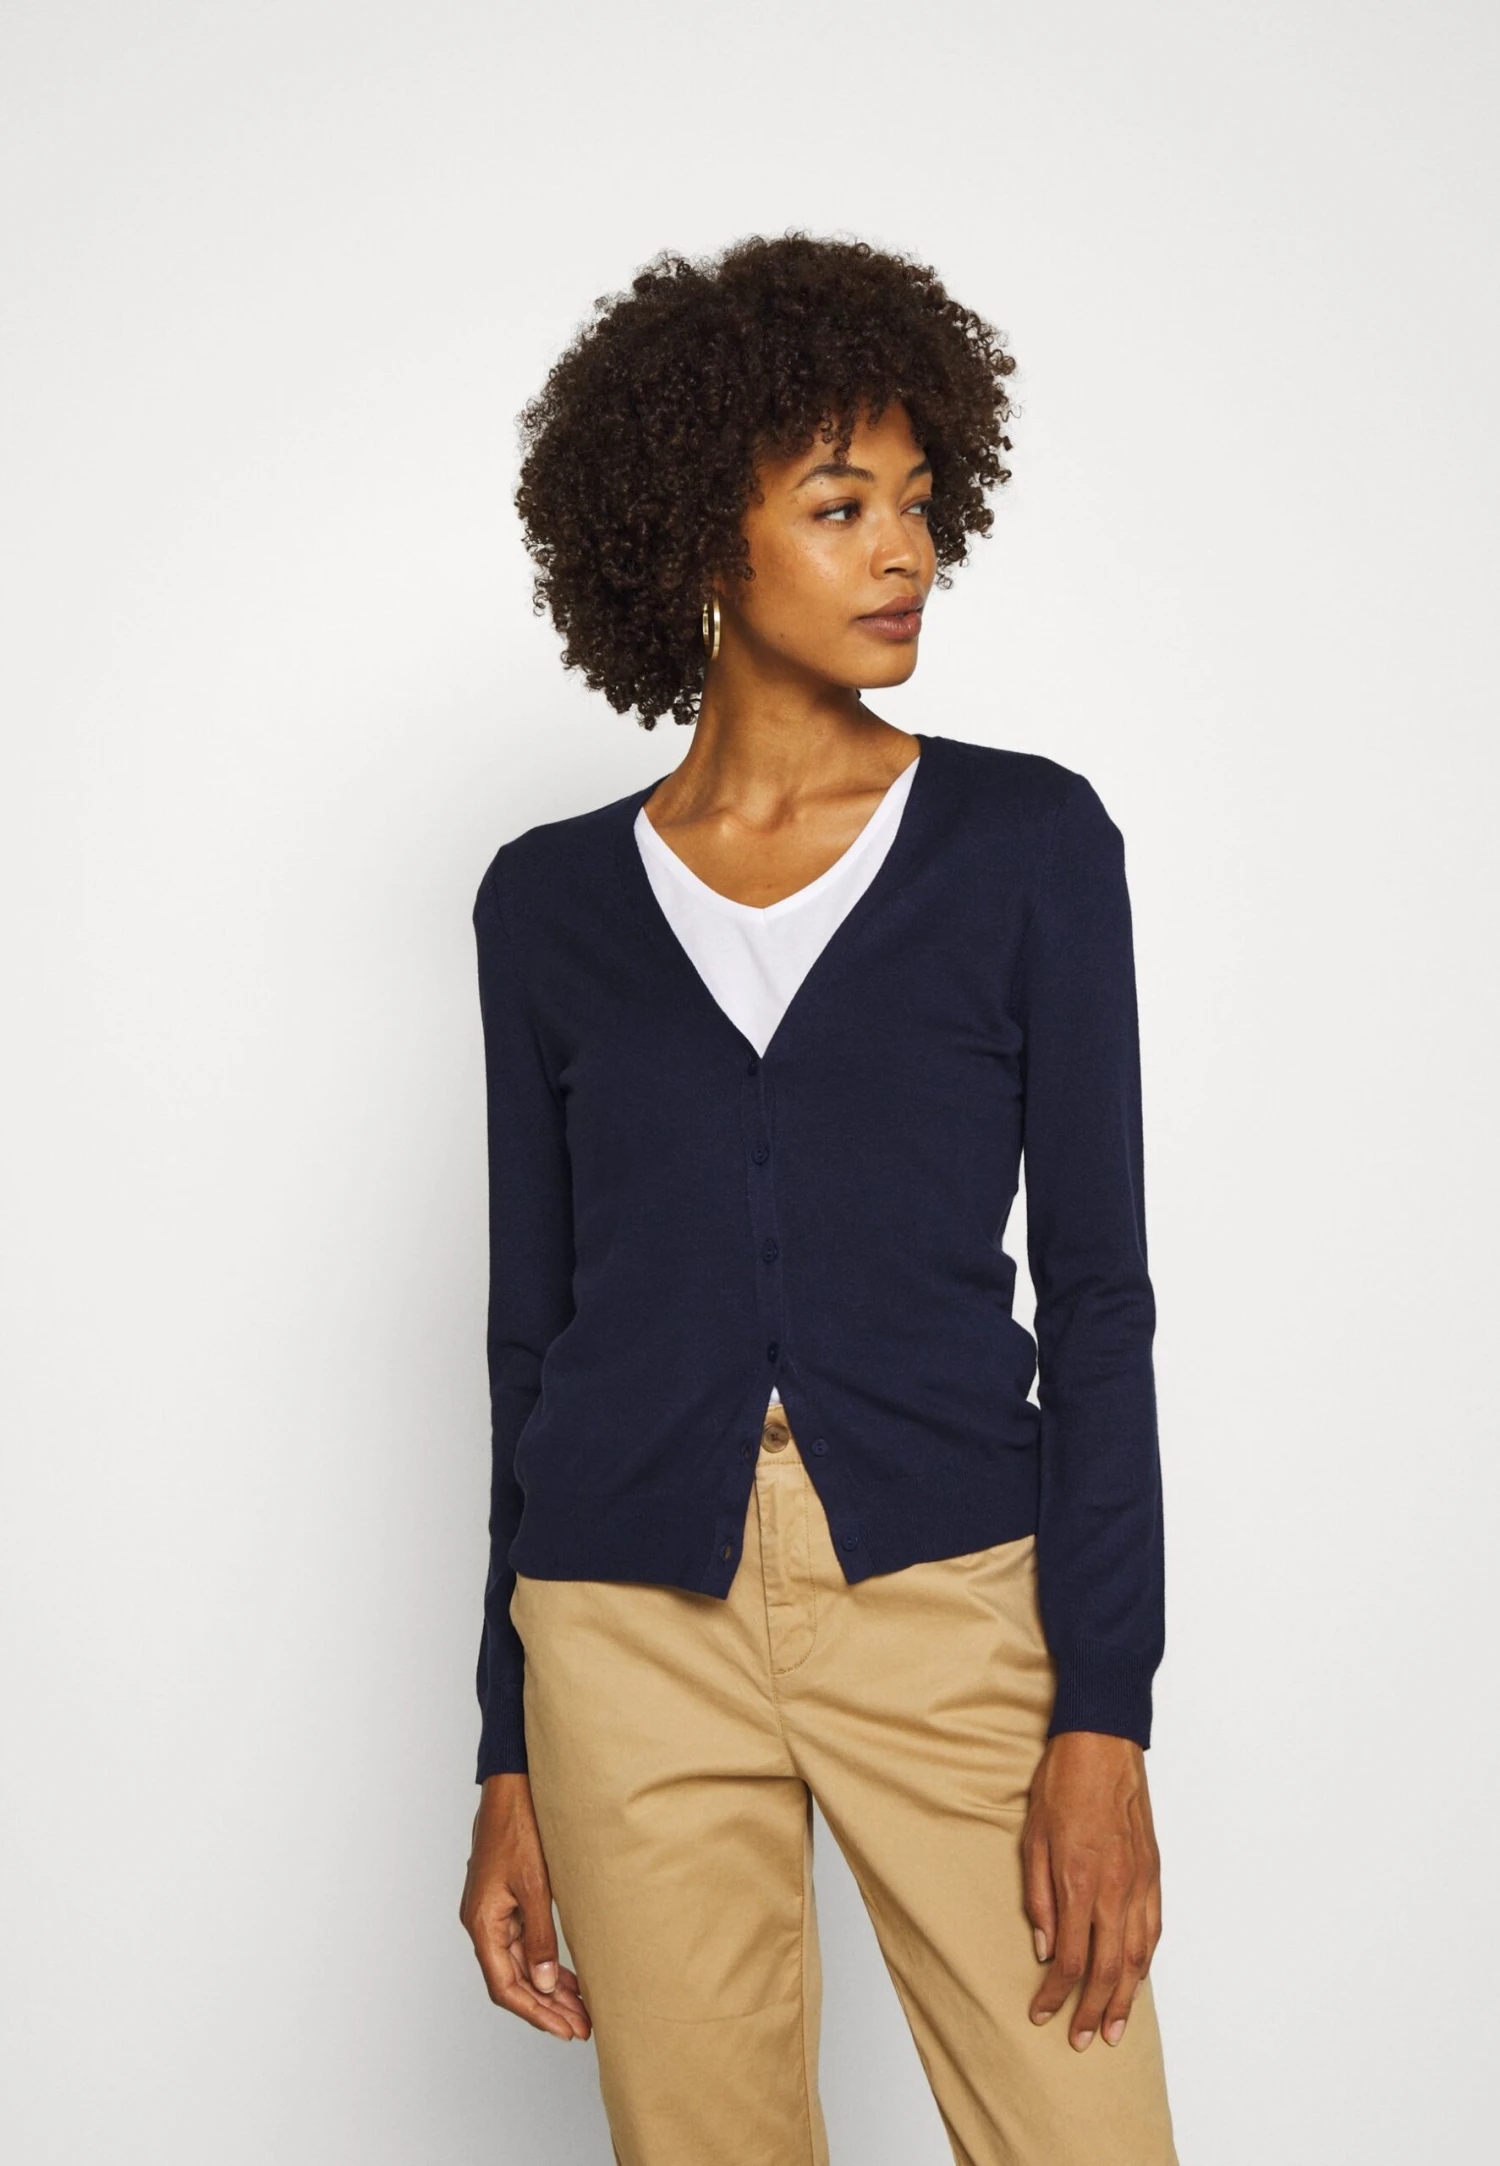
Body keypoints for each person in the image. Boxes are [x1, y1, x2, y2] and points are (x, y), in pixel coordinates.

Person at [458, 232, 1177, 2166]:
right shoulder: (547, 904)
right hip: (620, 1624)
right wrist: (509, 1747)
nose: (903, 553)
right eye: (841, 505)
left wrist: (1103, 1714)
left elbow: (1100, 1300)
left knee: (1086, 2133)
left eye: (919, 504)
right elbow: (532, 1340)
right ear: (707, 536)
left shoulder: (1027, 844)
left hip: (948, 1599)